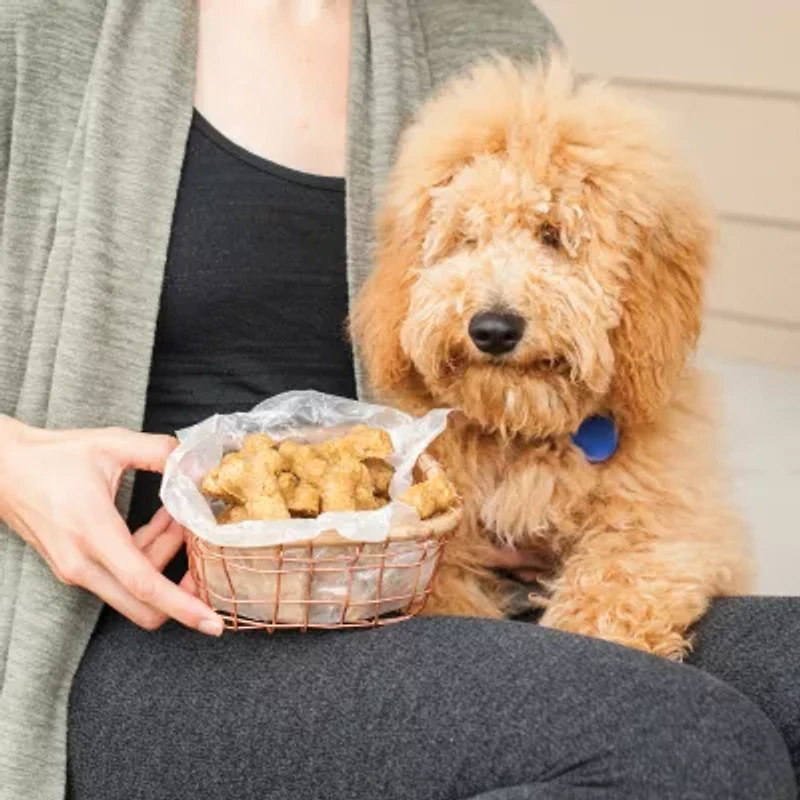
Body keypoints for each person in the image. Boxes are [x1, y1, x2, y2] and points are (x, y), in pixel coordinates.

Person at [0, 2, 797, 799]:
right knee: (680, 744)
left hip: (435, 586)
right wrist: (14, 464)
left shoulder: (495, 32)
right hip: (149, 616)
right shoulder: (37, 23)